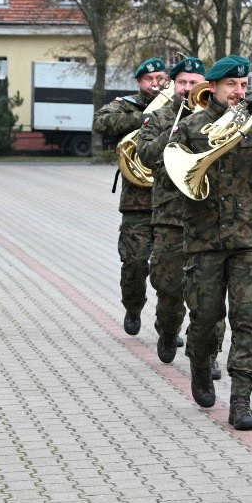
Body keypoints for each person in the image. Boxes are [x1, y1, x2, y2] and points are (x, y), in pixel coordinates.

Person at [169, 55, 252, 430]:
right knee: (205, 318)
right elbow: (173, 171)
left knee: (245, 318)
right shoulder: (191, 126)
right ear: (214, 87)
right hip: (204, 236)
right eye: (232, 86)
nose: (240, 92)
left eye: (244, 85)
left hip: (248, 235)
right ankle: (201, 363)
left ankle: (241, 399)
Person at [136, 57, 224, 379]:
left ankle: (208, 353)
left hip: (207, 217)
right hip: (170, 216)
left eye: (194, 82)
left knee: (209, 295)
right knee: (169, 288)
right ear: (174, 85)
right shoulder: (158, 117)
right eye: (183, 82)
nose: (189, 88)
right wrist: (177, 129)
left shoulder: (217, 117)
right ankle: (168, 329)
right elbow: (145, 156)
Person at [93, 57, 165, 335]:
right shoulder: (127, 105)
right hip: (137, 201)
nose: (155, 84)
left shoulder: (179, 106)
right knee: (134, 263)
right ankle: (133, 306)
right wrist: (145, 118)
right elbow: (100, 121)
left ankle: (167, 324)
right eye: (149, 80)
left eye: (160, 79)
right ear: (139, 82)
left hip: (172, 201)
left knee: (170, 271)